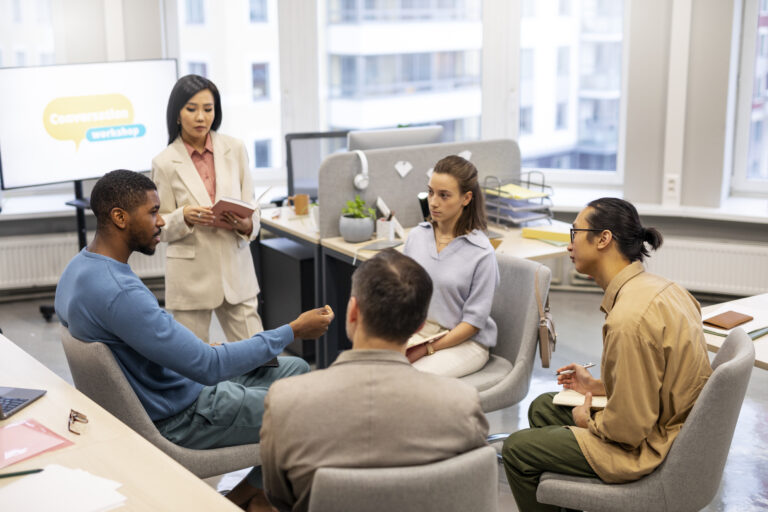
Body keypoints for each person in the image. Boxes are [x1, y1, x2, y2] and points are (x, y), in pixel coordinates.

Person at [54, 170, 334, 512]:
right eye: (153, 212)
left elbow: (168, 350)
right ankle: (255, 497)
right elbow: (208, 367)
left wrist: (211, 351)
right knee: (308, 411)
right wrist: (293, 330)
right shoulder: (119, 292)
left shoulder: (79, 269)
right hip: (183, 415)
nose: (161, 222)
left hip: (170, 388)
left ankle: (250, 495)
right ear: (120, 217)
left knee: (295, 367)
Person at [502, 198, 713, 512]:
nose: (569, 244)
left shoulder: (629, 318)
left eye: (575, 233)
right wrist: (596, 388)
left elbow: (628, 430)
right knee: (544, 407)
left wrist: (587, 419)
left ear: (603, 239)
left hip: (652, 445)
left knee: (517, 450)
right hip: (671, 425)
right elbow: (658, 379)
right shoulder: (664, 288)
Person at [260, 249, 489, 512]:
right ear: (419, 325)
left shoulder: (285, 402)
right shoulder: (461, 404)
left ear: (352, 311)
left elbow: (279, 497)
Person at [151, 74, 262, 343]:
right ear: (177, 114)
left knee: (261, 356)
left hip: (236, 270)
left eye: (208, 109)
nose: (201, 117)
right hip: (191, 278)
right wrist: (183, 217)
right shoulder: (164, 162)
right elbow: (157, 225)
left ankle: (263, 388)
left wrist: (247, 224)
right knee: (189, 364)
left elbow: (252, 204)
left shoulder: (234, 149)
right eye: (192, 109)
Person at [402, 155, 499, 378]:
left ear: (466, 198)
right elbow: (404, 297)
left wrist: (426, 348)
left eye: (444, 195)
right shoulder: (417, 237)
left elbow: (473, 324)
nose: (433, 202)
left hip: (464, 341)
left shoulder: (481, 252)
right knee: (373, 368)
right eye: (431, 192)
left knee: (413, 380)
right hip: (421, 332)